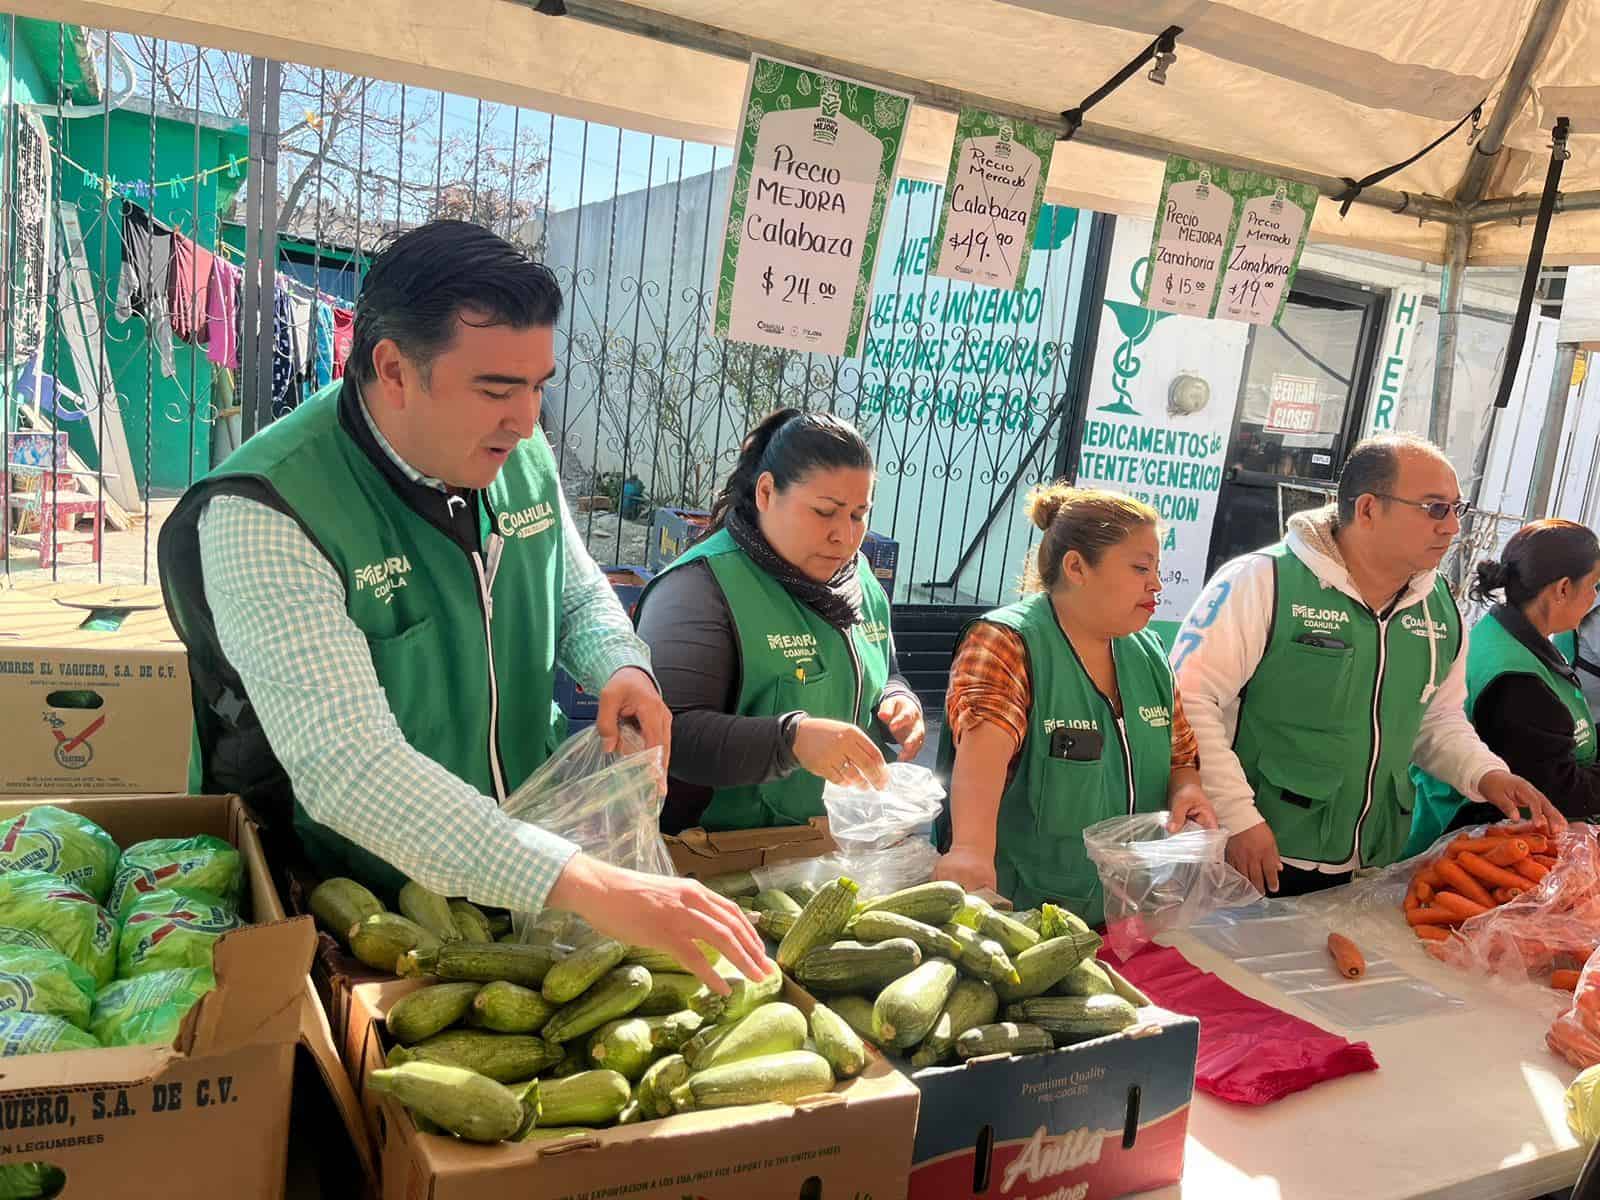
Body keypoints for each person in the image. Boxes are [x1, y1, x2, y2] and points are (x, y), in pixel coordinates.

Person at [159, 221, 767, 992]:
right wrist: (592, 885)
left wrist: (623, 663)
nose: (527, 419)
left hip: (522, 868)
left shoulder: (517, 454)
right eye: (496, 389)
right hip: (349, 902)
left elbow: (573, 585)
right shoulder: (270, 511)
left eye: (539, 384)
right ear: (394, 369)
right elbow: (352, 772)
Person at [1173, 432, 1563, 897]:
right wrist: (1238, 819)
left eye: (1458, 509)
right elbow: (1190, 702)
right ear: (1368, 509)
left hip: (1368, 864)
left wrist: (1488, 774)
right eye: (1435, 508)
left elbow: (1435, 720)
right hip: (1254, 856)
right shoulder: (1262, 582)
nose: (1453, 527)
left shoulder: (1439, 608)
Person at [932, 485, 1216, 921]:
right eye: (1141, 567)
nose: (1156, 584)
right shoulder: (1008, 643)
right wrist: (970, 849)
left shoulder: (1150, 653)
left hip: (1129, 915)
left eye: (1157, 568)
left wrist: (1188, 790)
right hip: (1022, 918)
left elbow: (1180, 754)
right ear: (1077, 567)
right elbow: (983, 751)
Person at [633, 408, 923, 834]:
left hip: (827, 847)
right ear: (766, 493)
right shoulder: (699, 589)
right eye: (825, 511)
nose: (844, 535)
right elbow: (666, 734)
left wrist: (899, 701)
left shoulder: (857, 576)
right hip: (718, 857)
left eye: (859, 514)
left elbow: (885, 669)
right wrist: (792, 740)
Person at [1408, 520, 1600, 852]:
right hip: (1469, 844)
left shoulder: (1505, 631)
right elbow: (1560, 793)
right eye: (1594, 586)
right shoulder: (1517, 682)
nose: (1595, 598)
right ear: (1563, 588)